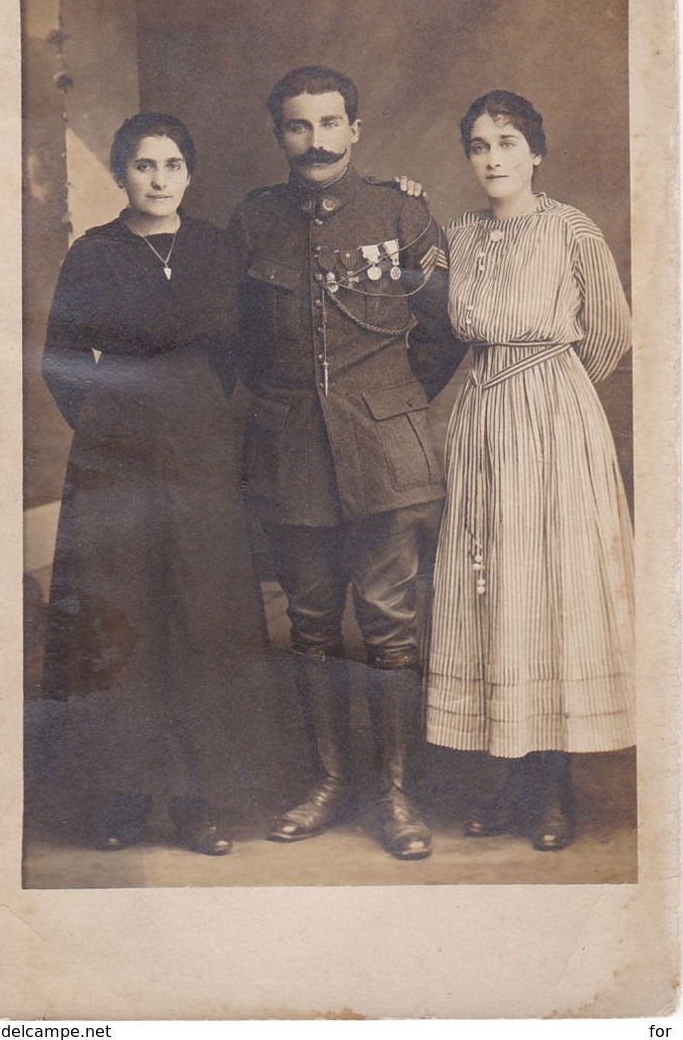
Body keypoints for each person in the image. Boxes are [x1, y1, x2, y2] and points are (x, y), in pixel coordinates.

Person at [228, 65, 466, 860]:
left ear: (354, 130)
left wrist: (386, 404)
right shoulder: (254, 220)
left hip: (387, 456)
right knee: (311, 627)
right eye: (298, 126)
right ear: (279, 135)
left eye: (330, 123)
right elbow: (242, 341)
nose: (315, 141)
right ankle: (328, 784)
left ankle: (396, 795)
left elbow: (441, 329)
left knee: (392, 628)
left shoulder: (401, 210)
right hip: (289, 452)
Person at [41, 112, 277, 855]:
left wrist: (199, 407)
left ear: (189, 174)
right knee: (122, 609)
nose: (159, 178)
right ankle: (120, 796)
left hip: (202, 449)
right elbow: (60, 360)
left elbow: (243, 349)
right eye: (144, 165)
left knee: (201, 616)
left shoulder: (215, 249)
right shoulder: (94, 253)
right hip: (116, 453)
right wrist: (112, 423)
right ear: (120, 174)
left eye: (172, 165)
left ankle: (196, 801)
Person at [425, 90, 635, 851]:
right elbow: (418, 294)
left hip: (551, 418)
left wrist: (554, 399)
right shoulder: (455, 235)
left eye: (507, 142)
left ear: (534, 151)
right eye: (478, 145)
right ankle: (505, 781)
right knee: (490, 596)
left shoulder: (569, 229)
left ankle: (552, 791)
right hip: (479, 417)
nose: (492, 158)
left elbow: (611, 332)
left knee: (548, 592)